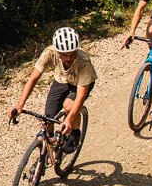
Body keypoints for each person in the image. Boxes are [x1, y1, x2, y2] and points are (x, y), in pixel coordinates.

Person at [8, 27, 97, 158]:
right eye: (64, 54)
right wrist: (19, 105)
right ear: (57, 50)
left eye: (72, 54)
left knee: (69, 106)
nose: (68, 58)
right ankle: (49, 151)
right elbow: (33, 78)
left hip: (79, 83)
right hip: (61, 79)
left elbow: (81, 95)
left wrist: (69, 119)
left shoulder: (83, 61)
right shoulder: (49, 52)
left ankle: (75, 133)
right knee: (48, 119)